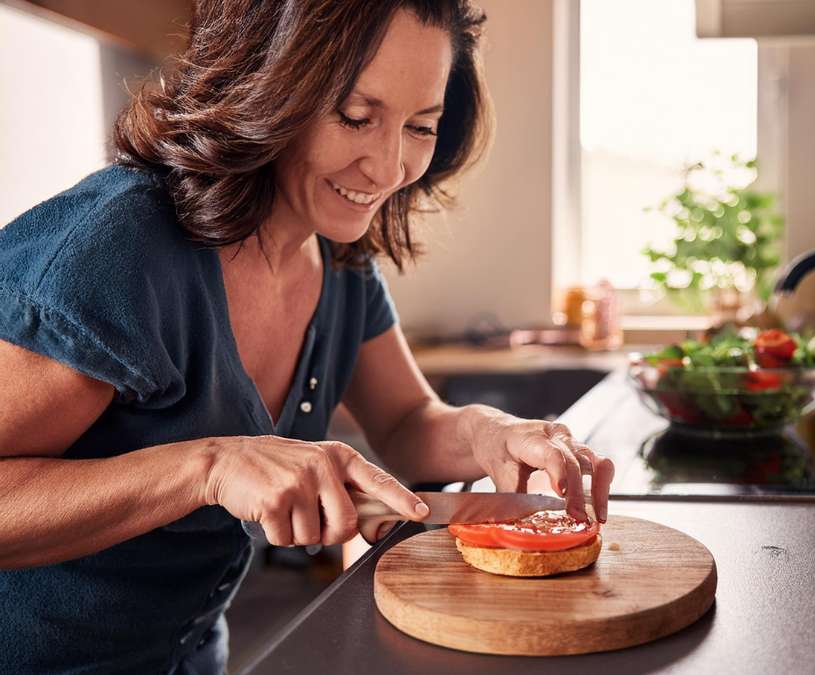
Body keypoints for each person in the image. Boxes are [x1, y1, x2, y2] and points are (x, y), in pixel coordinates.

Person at [0, 1, 615, 672]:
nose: (387, 167)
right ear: (270, 85)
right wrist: (208, 466)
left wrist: (490, 432)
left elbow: (408, 418)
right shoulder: (116, 249)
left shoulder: (341, 260)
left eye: (420, 126)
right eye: (356, 117)